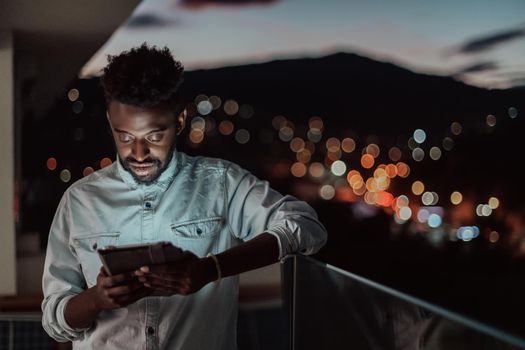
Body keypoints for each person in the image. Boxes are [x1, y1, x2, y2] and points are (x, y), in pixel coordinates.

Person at [41, 43, 327, 349]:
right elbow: (54, 321)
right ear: (111, 123)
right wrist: (96, 299)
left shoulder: (222, 183)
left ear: (179, 121)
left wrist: (211, 269)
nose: (138, 153)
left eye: (154, 136)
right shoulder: (78, 201)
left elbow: (305, 227)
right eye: (125, 137)